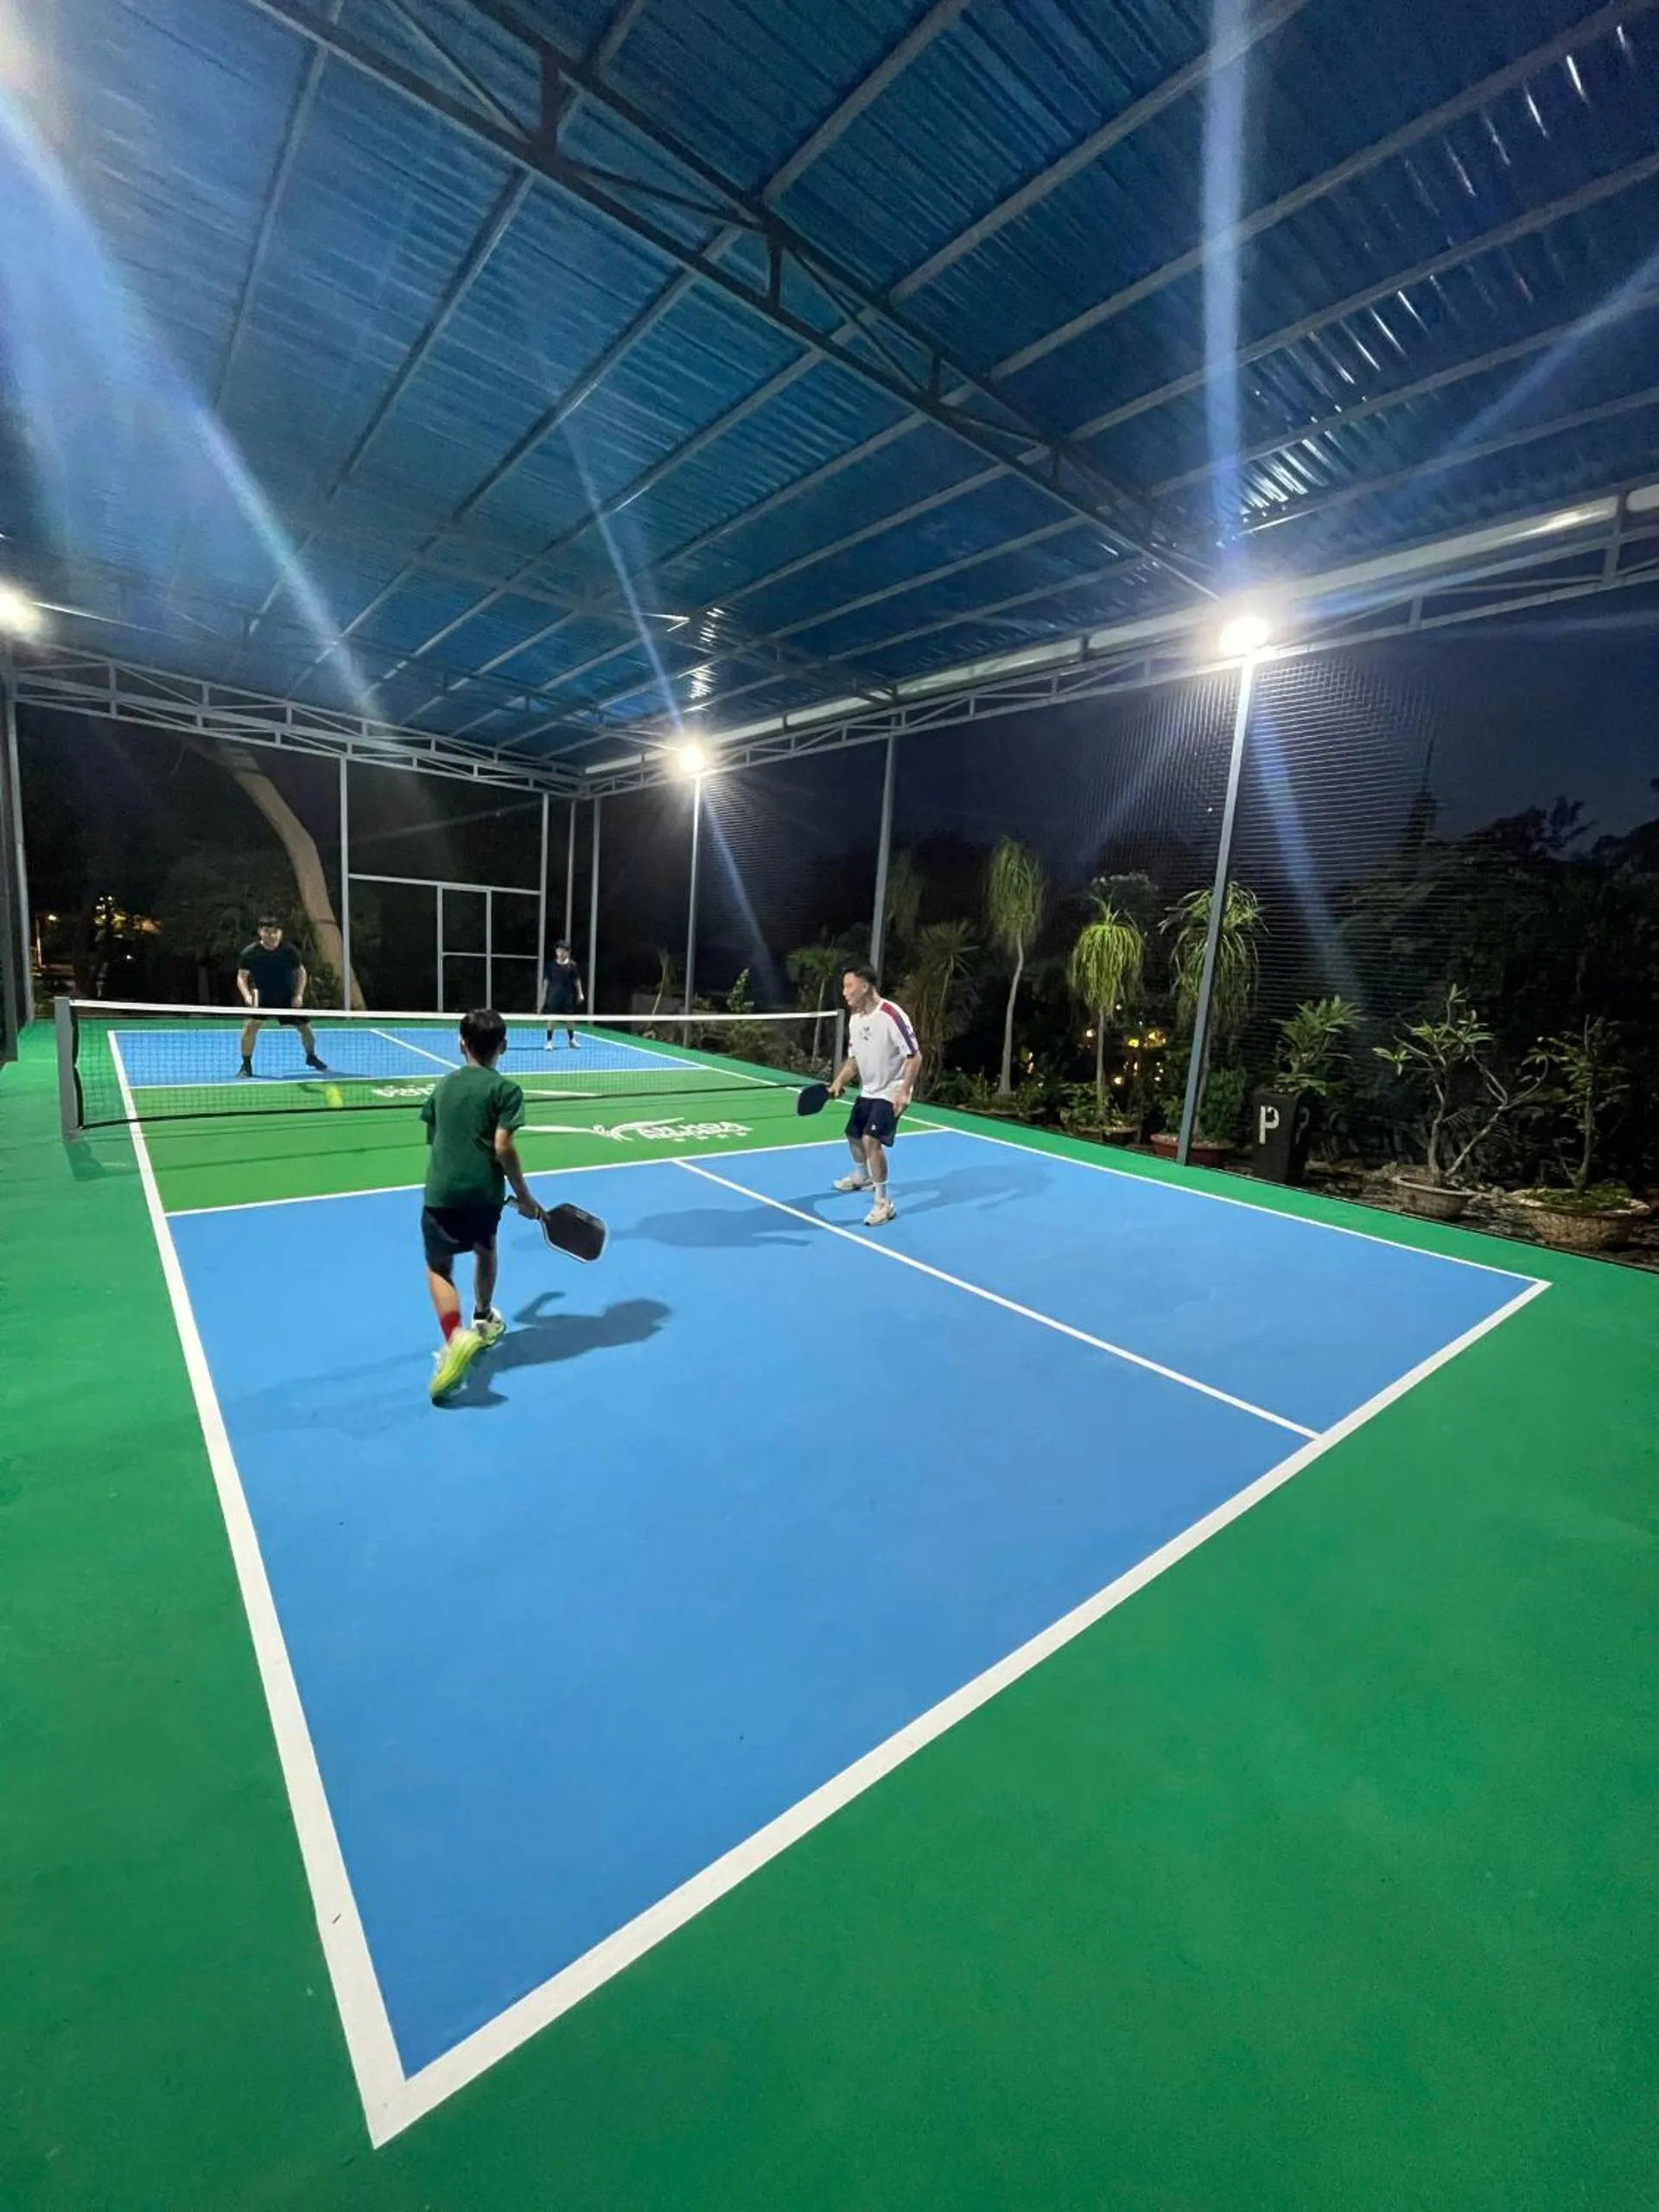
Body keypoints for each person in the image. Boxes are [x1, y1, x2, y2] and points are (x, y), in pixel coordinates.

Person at [420, 1007, 545, 1403]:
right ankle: (484, 1317)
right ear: (503, 1047)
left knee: (439, 1268)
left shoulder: (443, 1086)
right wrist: (524, 1196)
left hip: (441, 1191)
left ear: (461, 1044)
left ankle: (454, 1337)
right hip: (484, 1194)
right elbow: (503, 1146)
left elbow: (434, 1138)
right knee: (485, 1249)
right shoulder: (506, 1090)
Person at [829, 963, 921, 1227]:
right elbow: (854, 1060)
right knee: (853, 1134)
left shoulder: (891, 1015)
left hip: (892, 1089)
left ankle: (883, 1203)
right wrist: (838, 1081)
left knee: (871, 1140)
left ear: (865, 986)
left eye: (849, 986)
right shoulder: (855, 1019)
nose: (844, 992)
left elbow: (915, 1056)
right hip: (869, 1089)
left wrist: (904, 1091)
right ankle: (862, 1176)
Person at [236, 918, 328, 1078]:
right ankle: (246, 1064)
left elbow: (301, 972)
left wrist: (299, 995)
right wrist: (247, 995)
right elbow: (241, 977)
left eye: (275, 932)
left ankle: (311, 1056)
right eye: (267, 931)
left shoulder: (289, 951)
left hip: (287, 996)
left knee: (307, 1030)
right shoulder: (250, 953)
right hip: (262, 996)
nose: (271, 935)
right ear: (260, 932)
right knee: (250, 1029)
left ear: (280, 933)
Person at [539, 939, 586, 1048]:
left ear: (567, 952)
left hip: (567, 998)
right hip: (553, 997)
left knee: (570, 1019)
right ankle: (549, 1041)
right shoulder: (551, 966)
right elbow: (546, 981)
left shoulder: (572, 965)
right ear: (556, 952)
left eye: (563, 951)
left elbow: (577, 980)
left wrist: (580, 993)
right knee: (551, 1019)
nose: (561, 953)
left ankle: (572, 1040)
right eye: (559, 951)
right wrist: (543, 996)